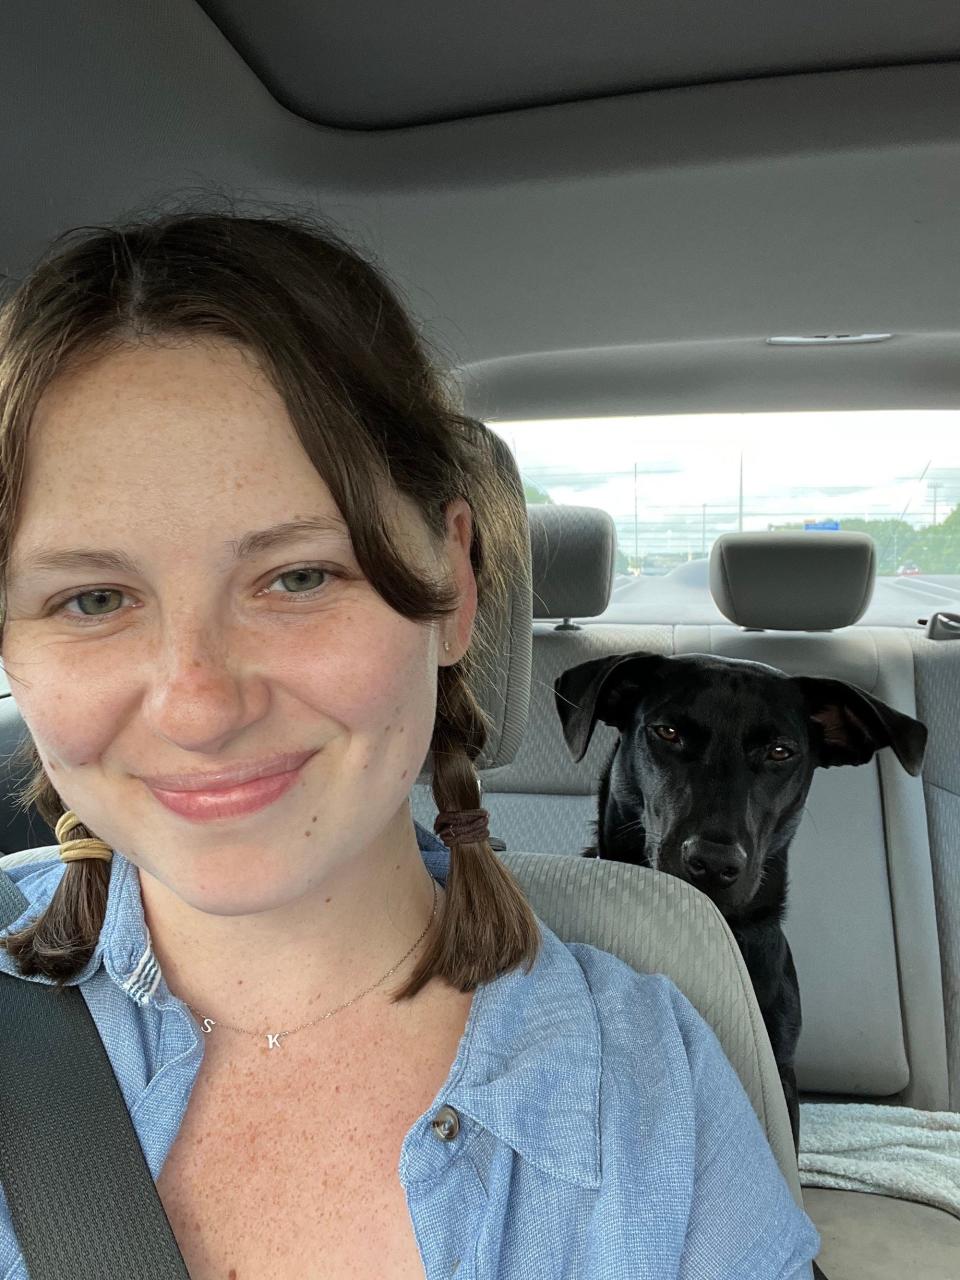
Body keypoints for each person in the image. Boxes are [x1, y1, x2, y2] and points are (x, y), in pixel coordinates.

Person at [0, 212, 820, 1279]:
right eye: (93, 596)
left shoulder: (649, 1087)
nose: (198, 704)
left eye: (298, 576)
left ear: (454, 584)